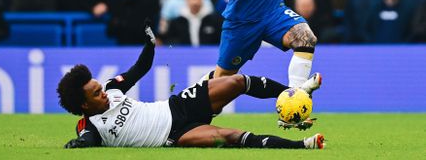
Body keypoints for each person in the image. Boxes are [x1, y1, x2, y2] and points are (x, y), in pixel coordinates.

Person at [57, 22, 324, 149]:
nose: (103, 92)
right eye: (96, 93)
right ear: (84, 105)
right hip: (175, 136)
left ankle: (295, 94)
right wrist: (75, 144)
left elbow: (139, 70)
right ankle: (303, 145)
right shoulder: (92, 127)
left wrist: (149, 46)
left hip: (178, 105)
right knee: (234, 137)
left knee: (237, 81)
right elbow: (85, 140)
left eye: (99, 87)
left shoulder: (112, 89)